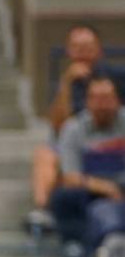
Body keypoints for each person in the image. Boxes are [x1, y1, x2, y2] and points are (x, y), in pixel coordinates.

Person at [27, 25, 125, 232]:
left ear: (99, 49)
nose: (82, 52)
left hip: (114, 144)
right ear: (68, 51)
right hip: (77, 144)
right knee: (44, 154)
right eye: (77, 47)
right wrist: (66, 83)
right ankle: (43, 212)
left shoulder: (117, 77)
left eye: (88, 46)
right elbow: (57, 126)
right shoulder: (68, 82)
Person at [48, 75, 125, 257]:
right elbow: (70, 176)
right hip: (89, 191)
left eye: (107, 98)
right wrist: (106, 188)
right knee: (64, 196)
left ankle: (114, 247)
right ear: (87, 101)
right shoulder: (73, 128)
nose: (102, 104)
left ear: (118, 100)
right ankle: (77, 255)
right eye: (96, 98)